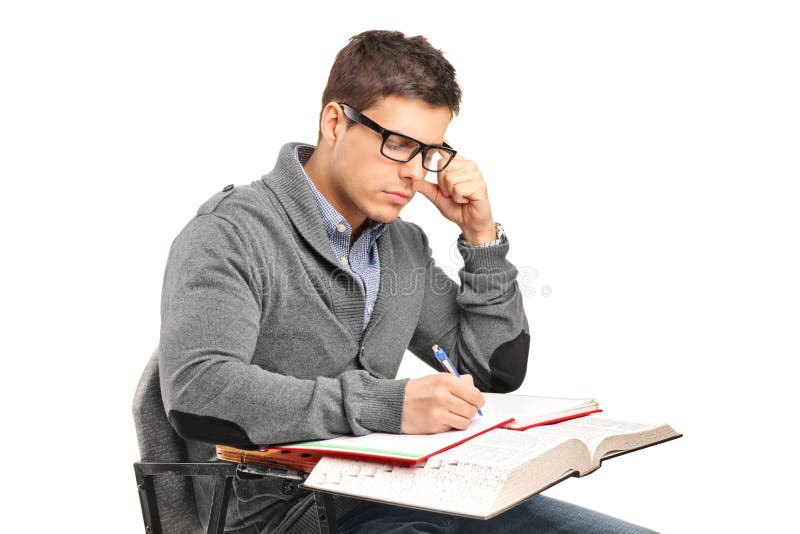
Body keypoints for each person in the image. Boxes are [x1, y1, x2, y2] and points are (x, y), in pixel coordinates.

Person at [156, 30, 655, 533]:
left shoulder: (401, 246)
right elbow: (199, 389)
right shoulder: (230, 233)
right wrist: (389, 405)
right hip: (291, 516)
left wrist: (480, 237)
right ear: (335, 122)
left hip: (416, 493)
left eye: (430, 153)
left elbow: (493, 369)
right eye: (398, 145)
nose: (416, 173)